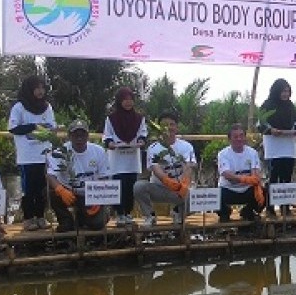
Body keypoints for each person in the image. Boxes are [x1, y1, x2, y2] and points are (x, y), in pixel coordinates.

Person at [8, 75, 56, 231]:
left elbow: (51, 126)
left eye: (43, 88)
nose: (40, 91)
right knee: (29, 189)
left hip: (44, 155)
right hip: (27, 156)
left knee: (42, 188)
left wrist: (47, 129)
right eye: (37, 88)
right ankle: (28, 218)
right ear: (30, 89)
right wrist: (33, 126)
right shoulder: (19, 107)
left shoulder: (47, 107)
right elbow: (14, 128)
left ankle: (41, 217)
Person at [133, 112, 196, 228]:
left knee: (198, 196)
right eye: (165, 125)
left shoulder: (187, 147)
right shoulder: (153, 148)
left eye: (172, 124)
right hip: (159, 188)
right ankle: (149, 216)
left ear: (177, 128)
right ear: (159, 128)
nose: (169, 128)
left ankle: (178, 213)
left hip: (180, 189)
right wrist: (167, 181)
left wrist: (183, 184)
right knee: (139, 186)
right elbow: (156, 169)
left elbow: (189, 166)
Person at [47, 119, 111, 232]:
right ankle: (66, 220)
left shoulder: (99, 151)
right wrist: (60, 190)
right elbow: (50, 176)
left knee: (98, 224)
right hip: (68, 193)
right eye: (75, 135)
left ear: (87, 136)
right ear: (69, 136)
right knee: (50, 192)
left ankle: (82, 217)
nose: (79, 138)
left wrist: (99, 199)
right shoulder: (59, 152)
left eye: (82, 135)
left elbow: (104, 177)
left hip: (90, 194)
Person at [103, 87, 148, 226]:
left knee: (130, 186)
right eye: (125, 100)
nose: (128, 103)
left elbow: (143, 132)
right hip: (117, 159)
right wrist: (110, 143)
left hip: (131, 159)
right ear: (119, 101)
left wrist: (141, 140)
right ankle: (119, 214)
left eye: (130, 100)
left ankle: (128, 213)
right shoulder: (111, 118)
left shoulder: (139, 118)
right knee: (118, 186)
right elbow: (107, 135)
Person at [258, 79, 296, 217]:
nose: (285, 94)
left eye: (288, 91)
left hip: (288, 146)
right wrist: (271, 130)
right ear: (276, 91)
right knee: (274, 177)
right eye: (283, 91)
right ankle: (270, 207)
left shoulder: (290, 106)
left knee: (287, 176)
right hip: (274, 147)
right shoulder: (267, 105)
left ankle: (285, 206)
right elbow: (260, 124)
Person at [217, 123, 265, 222]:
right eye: (235, 136)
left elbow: (255, 173)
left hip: (247, 189)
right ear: (229, 139)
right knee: (215, 196)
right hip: (228, 189)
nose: (239, 139)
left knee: (265, 193)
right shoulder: (223, 154)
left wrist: (257, 185)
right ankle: (225, 213)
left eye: (241, 136)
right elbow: (227, 174)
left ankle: (248, 211)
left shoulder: (252, 153)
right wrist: (244, 179)